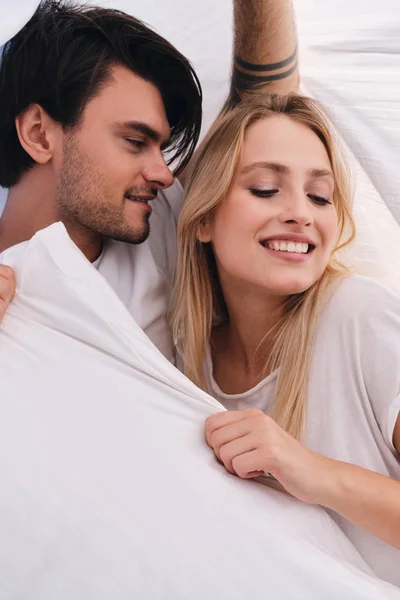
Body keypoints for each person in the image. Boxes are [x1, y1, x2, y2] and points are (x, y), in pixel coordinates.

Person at [170, 93, 400, 586]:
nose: (301, 213)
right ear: (204, 217)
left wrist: (311, 472)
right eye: (265, 188)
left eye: (321, 196)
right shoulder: (185, 362)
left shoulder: (361, 316)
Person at [0, 0, 299, 359]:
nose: (163, 174)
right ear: (39, 134)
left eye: (162, 148)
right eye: (135, 142)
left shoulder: (161, 220)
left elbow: (263, 112)